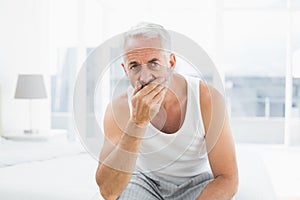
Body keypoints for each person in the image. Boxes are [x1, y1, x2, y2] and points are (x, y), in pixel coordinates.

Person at [96, 22, 238, 200]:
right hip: (144, 183)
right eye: (134, 66)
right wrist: (137, 123)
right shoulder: (119, 109)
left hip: (197, 183)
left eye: (154, 63)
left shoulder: (207, 99)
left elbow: (228, 179)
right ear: (125, 70)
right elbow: (108, 191)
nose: (145, 77)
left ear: (171, 62)